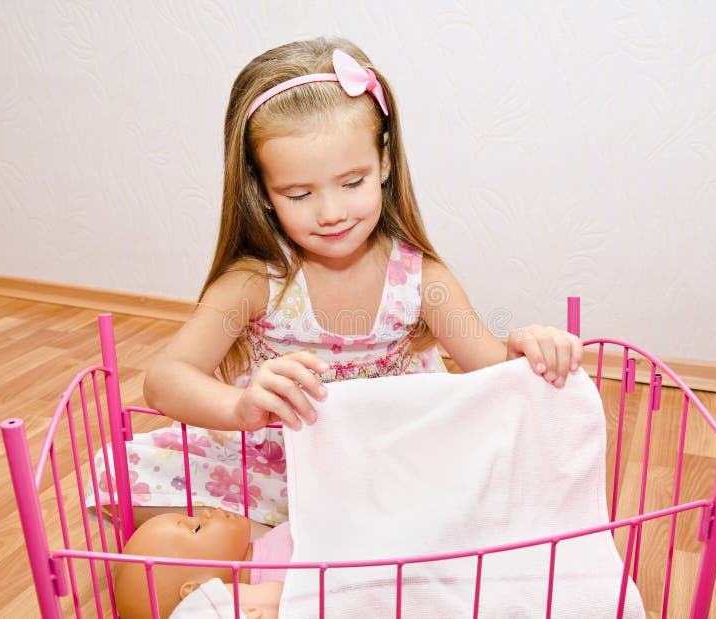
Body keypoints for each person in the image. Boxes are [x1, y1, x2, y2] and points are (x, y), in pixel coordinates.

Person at [127, 36, 582, 525]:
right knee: (131, 481)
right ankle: (308, 555)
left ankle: (298, 557)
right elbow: (164, 380)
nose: (331, 213)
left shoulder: (422, 280)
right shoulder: (256, 281)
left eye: (352, 183)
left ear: (383, 163)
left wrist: (532, 350)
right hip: (283, 468)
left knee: (503, 493)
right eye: (299, 193)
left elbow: (495, 373)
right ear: (260, 190)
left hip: (399, 469)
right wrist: (242, 407)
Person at [114, 507, 290, 619]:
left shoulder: (270, 543)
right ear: (201, 588)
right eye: (197, 528)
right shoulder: (280, 595)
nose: (205, 513)